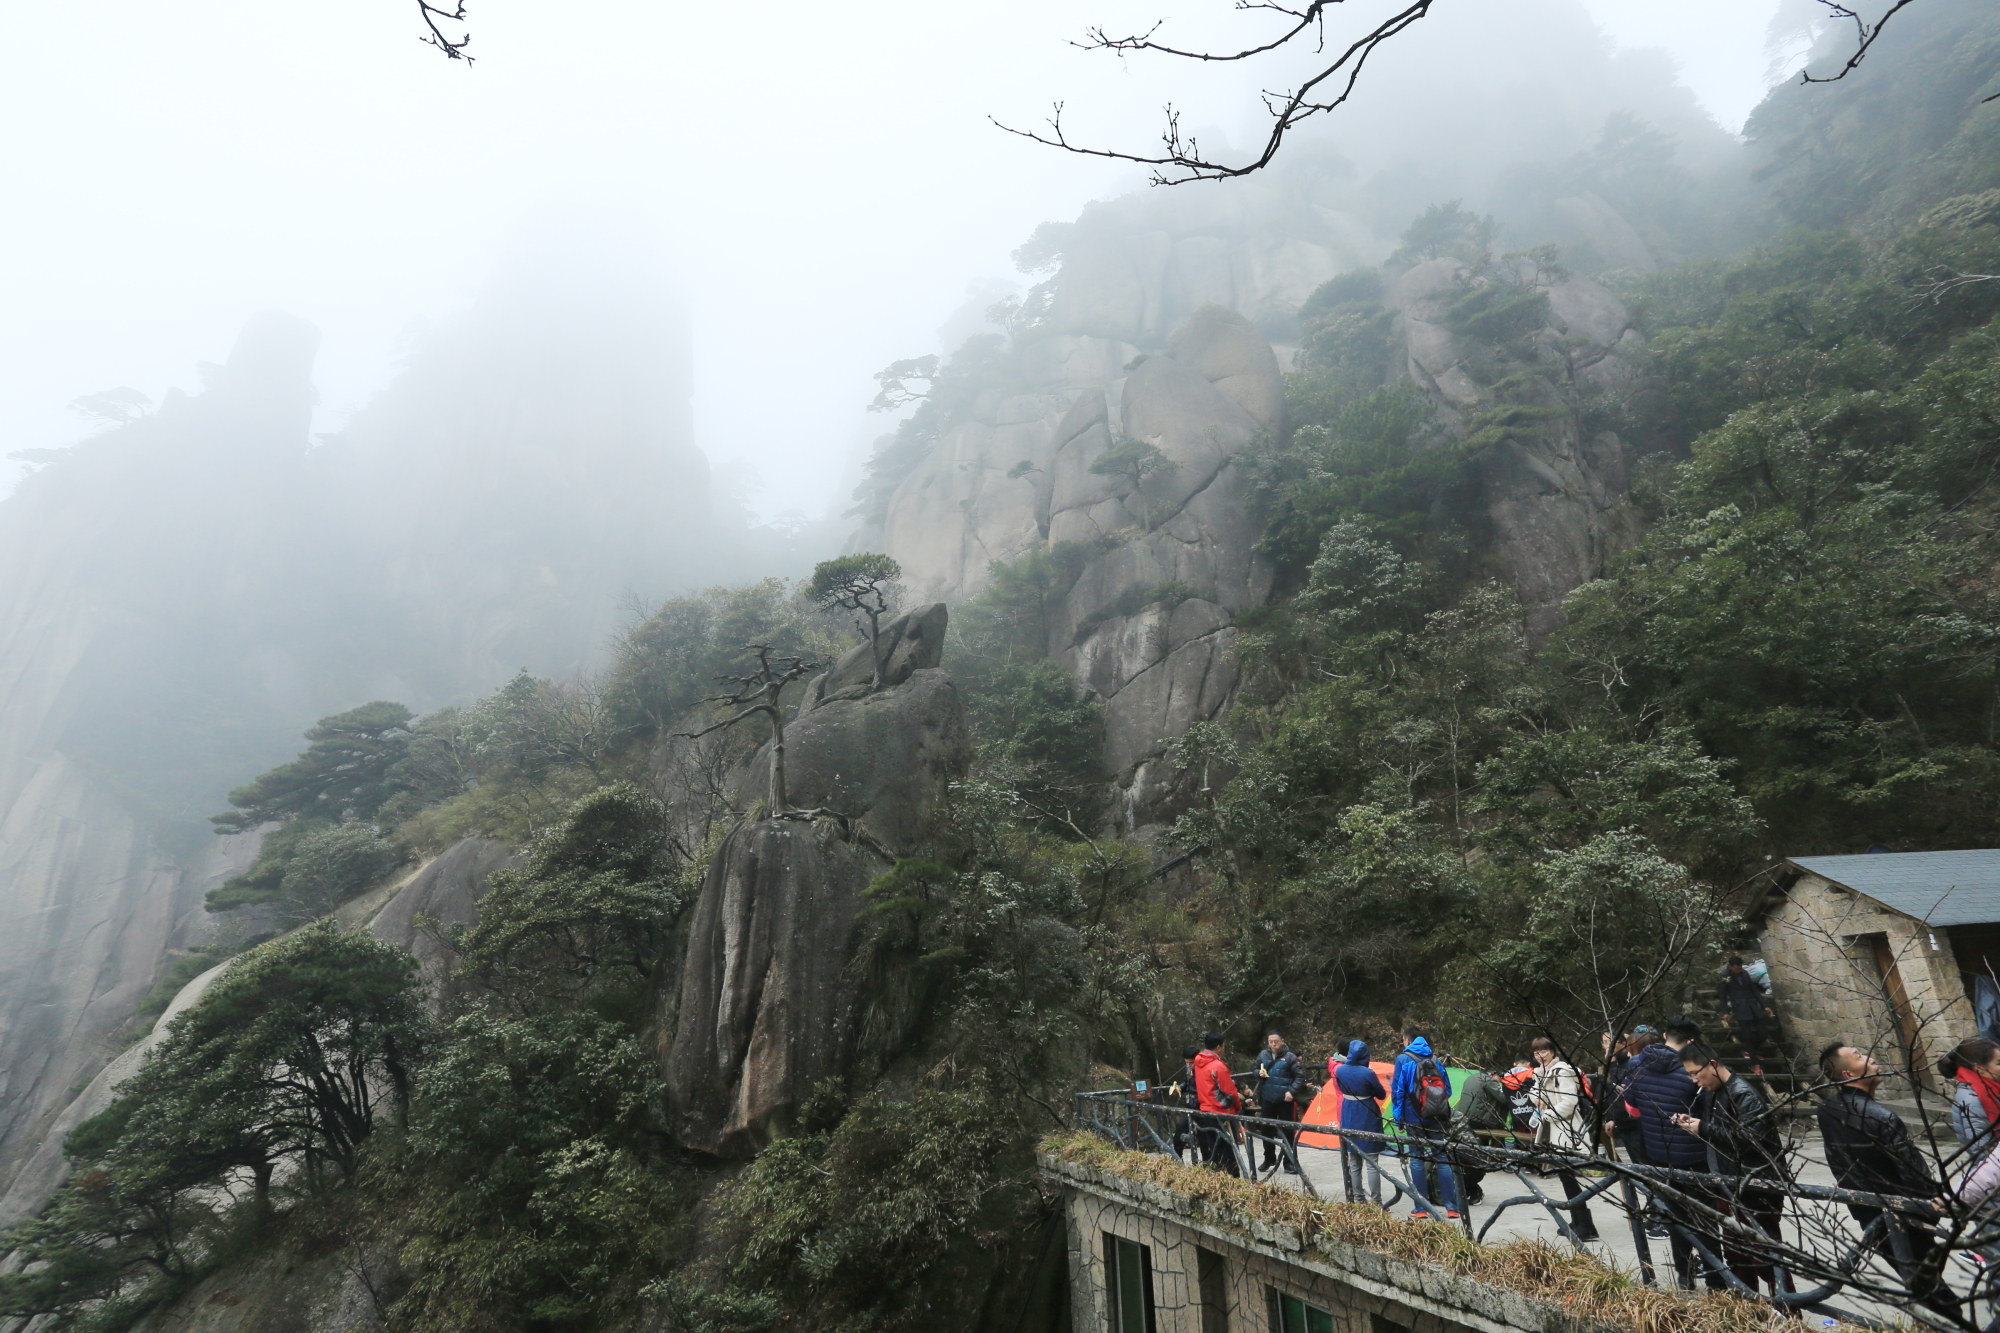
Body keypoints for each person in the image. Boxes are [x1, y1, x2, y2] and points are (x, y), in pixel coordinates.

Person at [1816, 1042, 1960, 1319]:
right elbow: (1915, 1175)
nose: (1870, 1059)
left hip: (1868, 1212)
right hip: (1902, 1215)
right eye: (1859, 1057)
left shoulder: (1828, 1109)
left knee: (1921, 1283)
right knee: (1934, 1293)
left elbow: (1838, 1164)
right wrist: (1929, 1208)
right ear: (1848, 1074)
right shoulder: (1882, 1117)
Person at [1676, 1041, 1789, 1296]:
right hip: (1729, 1184)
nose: (1694, 1080)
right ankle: (1748, 1311)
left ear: (1713, 1065)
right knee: (1736, 1257)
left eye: (1696, 1073)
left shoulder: (1742, 1093)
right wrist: (1695, 1124)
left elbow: (1750, 1141)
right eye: (1689, 1075)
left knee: (1765, 1257)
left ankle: (1788, 1312)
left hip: (1755, 1188)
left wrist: (1703, 1128)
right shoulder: (1714, 1092)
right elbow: (1723, 1135)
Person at [1626, 1014, 1711, 1286]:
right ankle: (1716, 1278)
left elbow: (1632, 1104)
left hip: (1658, 1153)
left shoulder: (1636, 1064)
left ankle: (1684, 1277)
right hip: (1695, 1155)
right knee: (1706, 1219)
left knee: (1675, 1217)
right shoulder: (1694, 1069)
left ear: (1664, 1036)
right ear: (1691, 1042)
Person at [1529, 1037, 1601, 1242]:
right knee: (1566, 1178)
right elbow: (1535, 1094)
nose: (1540, 1056)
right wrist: (1538, 1100)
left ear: (1552, 1051)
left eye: (1543, 1051)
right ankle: (1579, 1222)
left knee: (1569, 1178)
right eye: (1536, 1053)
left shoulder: (1562, 1071)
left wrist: (1546, 1115)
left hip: (1566, 1130)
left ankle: (1584, 1225)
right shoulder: (1541, 1073)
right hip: (1553, 1130)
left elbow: (1569, 1102)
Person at [1390, 1025, 1460, 1220]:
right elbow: (1447, 1089)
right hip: (1437, 1117)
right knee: (1443, 1158)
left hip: (1413, 1117)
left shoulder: (1403, 1059)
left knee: (1417, 1159)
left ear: (1407, 1040)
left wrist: (1399, 1119)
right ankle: (1452, 1207)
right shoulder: (1436, 1060)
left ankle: (1421, 1208)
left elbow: (1398, 1092)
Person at [1333, 1039, 1389, 1204]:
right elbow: (1381, 1094)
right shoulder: (1368, 1073)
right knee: (1372, 1161)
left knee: (1355, 1160)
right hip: (1367, 1112)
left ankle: (1358, 1198)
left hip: (1348, 1111)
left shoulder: (1340, 1070)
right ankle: (1376, 1201)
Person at [1453, 1061, 1512, 1205]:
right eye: (1500, 1077)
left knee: (1466, 1156)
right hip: (1481, 1122)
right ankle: (1475, 1189)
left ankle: (1469, 1187)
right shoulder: (1488, 1080)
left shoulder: (1472, 1077)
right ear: (1493, 1074)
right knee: (1479, 1157)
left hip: (1464, 1120)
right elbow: (1504, 1099)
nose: (1500, 1080)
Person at [1940, 1037, 2000, 1164]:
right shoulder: (1973, 1100)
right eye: (1998, 1063)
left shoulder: (1993, 1088)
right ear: (1979, 1067)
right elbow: (1982, 1150)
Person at [1255, 1031, 1309, 1174]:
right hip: (1267, 1097)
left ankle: (1289, 1161)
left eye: (1276, 1041)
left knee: (1288, 1131)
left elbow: (1299, 1077)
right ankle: (1269, 1158)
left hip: (1285, 1100)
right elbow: (1254, 1068)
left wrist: (1291, 1091)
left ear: (1282, 1041)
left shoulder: (1290, 1057)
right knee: (1266, 1129)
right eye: (1271, 1041)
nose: (1273, 1044)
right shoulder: (1263, 1055)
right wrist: (1257, 1074)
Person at [1193, 1031, 1243, 1176]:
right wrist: (1238, 1106)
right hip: (1220, 1111)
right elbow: (1229, 1091)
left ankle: (1217, 1177)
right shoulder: (1217, 1066)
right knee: (1227, 1148)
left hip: (1205, 1109)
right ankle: (1233, 1178)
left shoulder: (1198, 1062)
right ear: (1219, 1046)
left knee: (1213, 1145)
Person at [1719, 958, 1777, 1062]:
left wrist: (1764, 1006)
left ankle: (1749, 1051)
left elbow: (1754, 990)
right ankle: (1753, 1059)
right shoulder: (1725, 976)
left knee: (1763, 1033)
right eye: (1736, 969)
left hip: (1752, 1005)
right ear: (1731, 966)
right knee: (1747, 1035)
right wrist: (1725, 1012)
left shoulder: (1745, 973)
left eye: (1740, 968)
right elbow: (1722, 995)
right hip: (1740, 1007)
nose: (1738, 971)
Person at [1167, 1044, 1202, 1162]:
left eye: (1191, 1063)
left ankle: (1209, 1164)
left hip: (1202, 1105)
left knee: (1205, 1137)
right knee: (1179, 1130)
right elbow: (1186, 1084)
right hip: (1190, 1105)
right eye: (1187, 1062)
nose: (1189, 1065)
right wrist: (1179, 1089)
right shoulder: (1187, 1069)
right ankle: (1177, 1159)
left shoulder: (1203, 1070)